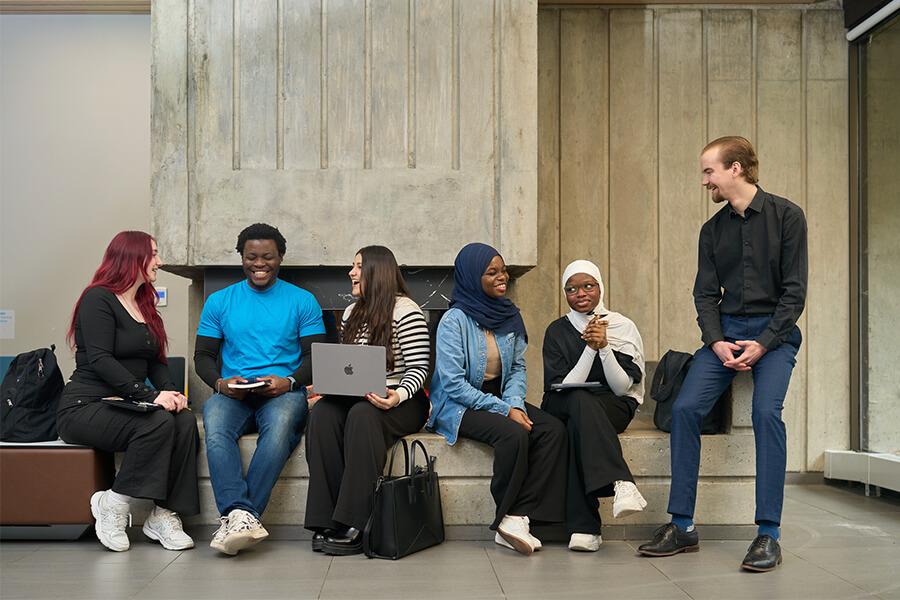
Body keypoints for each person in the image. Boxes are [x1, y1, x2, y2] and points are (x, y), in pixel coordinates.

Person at [638, 136, 807, 572]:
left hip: (775, 336)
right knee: (686, 409)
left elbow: (794, 294)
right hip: (725, 334)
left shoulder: (788, 217)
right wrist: (715, 341)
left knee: (767, 414)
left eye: (708, 171)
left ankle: (768, 534)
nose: (704, 181)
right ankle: (682, 525)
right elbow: (704, 295)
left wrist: (764, 343)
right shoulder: (712, 231)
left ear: (736, 169)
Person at [57, 231, 199, 552]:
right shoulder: (97, 299)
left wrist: (171, 394)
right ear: (132, 257)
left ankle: (162, 514)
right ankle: (114, 504)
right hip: (85, 406)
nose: (159, 262)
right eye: (154, 254)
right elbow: (100, 359)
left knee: (184, 421)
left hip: (125, 404)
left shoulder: (144, 304)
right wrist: (150, 397)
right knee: (158, 422)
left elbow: (156, 363)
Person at [194, 223, 326, 555]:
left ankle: (238, 517)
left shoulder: (302, 301)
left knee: (281, 428)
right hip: (234, 393)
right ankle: (242, 513)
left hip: (282, 393)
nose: (259, 264)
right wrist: (220, 384)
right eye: (251, 257)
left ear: (280, 257)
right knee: (215, 423)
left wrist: (291, 381)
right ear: (241, 257)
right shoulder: (220, 301)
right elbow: (204, 357)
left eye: (267, 257)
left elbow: (316, 356)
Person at [427, 242, 566, 556]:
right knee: (513, 433)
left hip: (499, 397)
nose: (502, 277)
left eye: (503, 271)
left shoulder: (509, 315)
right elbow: (453, 384)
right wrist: (505, 410)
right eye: (491, 273)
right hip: (457, 404)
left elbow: (517, 367)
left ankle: (518, 515)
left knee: (553, 430)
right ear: (472, 276)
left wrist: (515, 402)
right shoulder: (453, 321)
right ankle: (506, 517)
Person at [304, 246, 431, 556]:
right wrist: (327, 388)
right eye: (352, 266)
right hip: (360, 396)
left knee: (363, 414)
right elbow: (349, 366)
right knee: (322, 413)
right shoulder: (351, 312)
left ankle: (356, 522)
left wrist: (396, 396)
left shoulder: (406, 310)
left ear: (377, 270)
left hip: (402, 401)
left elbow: (420, 369)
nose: (351, 272)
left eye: (358, 266)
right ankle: (327, 519)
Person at [541, 259, 648, 552]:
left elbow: (622, 387)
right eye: (572, 288)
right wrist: (590, 348)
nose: (581, 293)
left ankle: (585, 527)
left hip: (611, 404)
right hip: (564, 400)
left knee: (579, 425)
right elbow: (565, 385)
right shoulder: (557, 331)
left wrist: (604, 348)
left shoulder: (622, 326)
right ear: (565, 293)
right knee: (577, 401)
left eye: (588, 285)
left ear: (600, 287)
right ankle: (621, 481)